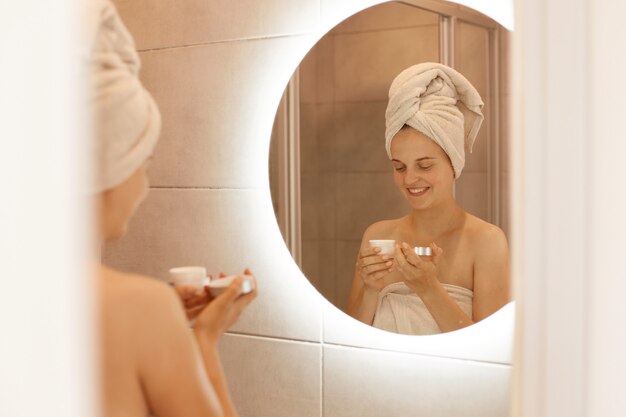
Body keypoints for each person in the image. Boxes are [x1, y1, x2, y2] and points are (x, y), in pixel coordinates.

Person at [90, 1, 256, 416]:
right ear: (110, 167)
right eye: (143, 165)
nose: (145, 189)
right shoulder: (140, 309)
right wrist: (201, 340)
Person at [347, 63, 510, 335]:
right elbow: (351, 338)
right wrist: (370, 289)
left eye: (424, 166)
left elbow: (487, 352)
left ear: (454, 164)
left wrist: (428, 288)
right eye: (399, 167)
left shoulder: (487, 242)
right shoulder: (378, 235)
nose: (409, 179)